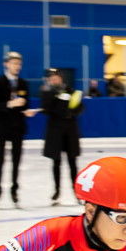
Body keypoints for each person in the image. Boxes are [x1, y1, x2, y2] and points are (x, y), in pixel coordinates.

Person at [0, 52, 37, 207]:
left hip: (18, 127)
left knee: (16, 161)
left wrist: (27, 111)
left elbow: (26, 104)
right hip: (2, 127)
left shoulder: (23, 83)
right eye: (14, 64)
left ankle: (14, 190)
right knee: (0, 160)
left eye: (19, 64)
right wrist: (10, 104)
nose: (17, 67)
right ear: (6, 64)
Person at [40, 68, 83, 205]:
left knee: (72, 162)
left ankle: (77, 191)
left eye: (55, 77)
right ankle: (57, 190)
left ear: (61, 78)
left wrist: (71, 112)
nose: (53, 80)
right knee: (56, 162)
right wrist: (52, 94)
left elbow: (80, 107)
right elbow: (46, 109)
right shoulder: (47, 93)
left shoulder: (71, 91)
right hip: (55, 132)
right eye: (50, 78)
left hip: (70, 131)